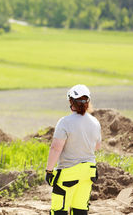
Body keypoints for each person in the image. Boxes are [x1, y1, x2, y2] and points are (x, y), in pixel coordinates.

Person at [45, 84, 101, 215]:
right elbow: (97, 146)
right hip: (89, 172)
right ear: (88, 102)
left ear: (71, 101)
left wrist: (49, 171)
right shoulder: (95, 122)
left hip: (68, 173)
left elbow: (55, 148)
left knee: (59, 210)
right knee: (80, 210)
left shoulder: (65, 122)